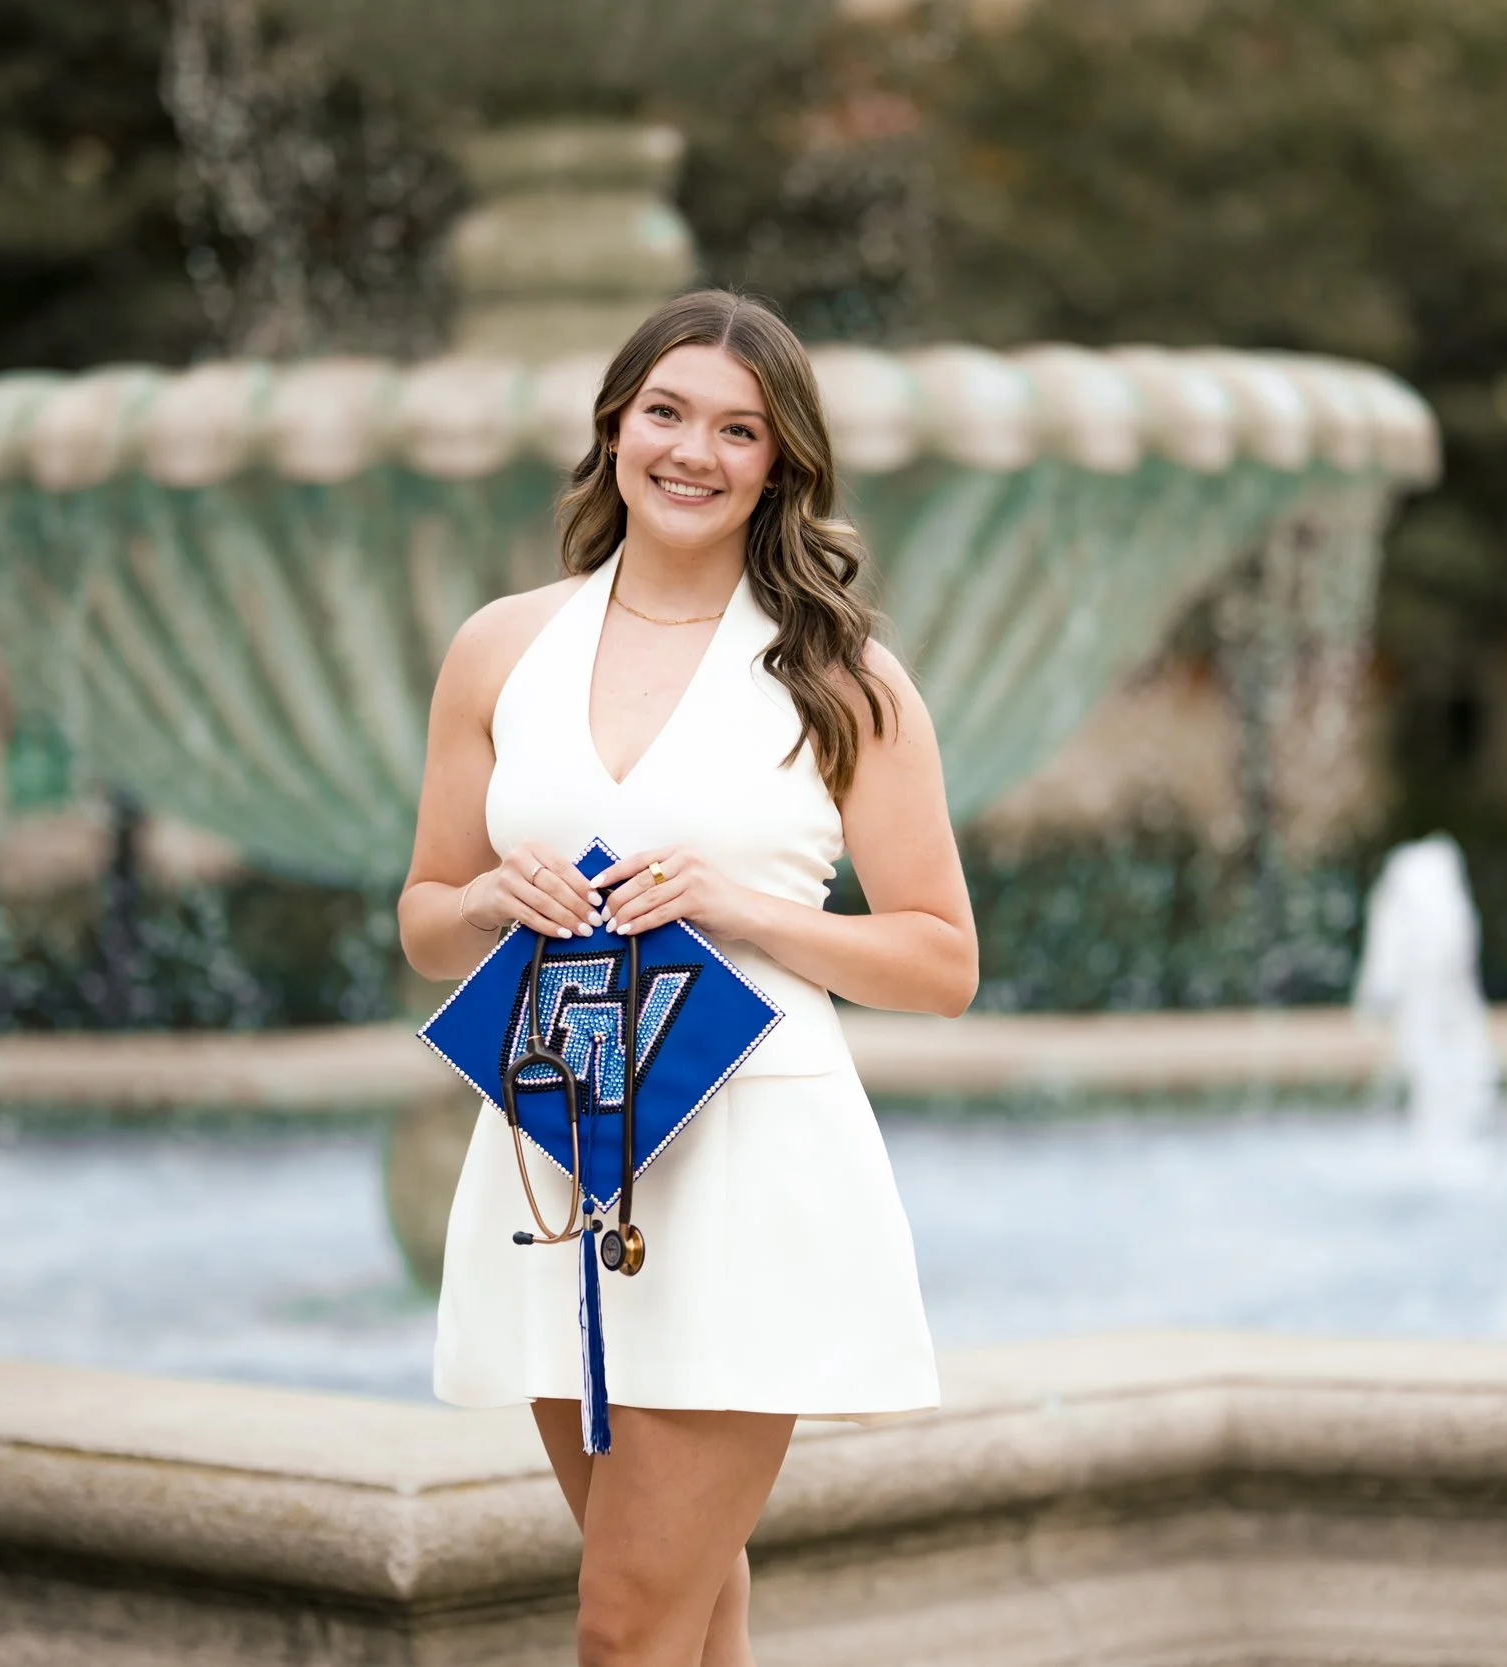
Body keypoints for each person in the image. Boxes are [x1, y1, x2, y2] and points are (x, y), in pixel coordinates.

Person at [399, 289, 978, 1667]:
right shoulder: (500, 649)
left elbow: (942, 959)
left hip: (748, 1168)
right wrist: (488, 895)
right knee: (683, 1606)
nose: (694, 451)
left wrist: (746, 908)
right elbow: (424, 919)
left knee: (622, 1623)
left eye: (739, 428)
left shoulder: (844, 679)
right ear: (615, 428)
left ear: (780, 464)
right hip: (554, 1147)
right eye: (666, 412)